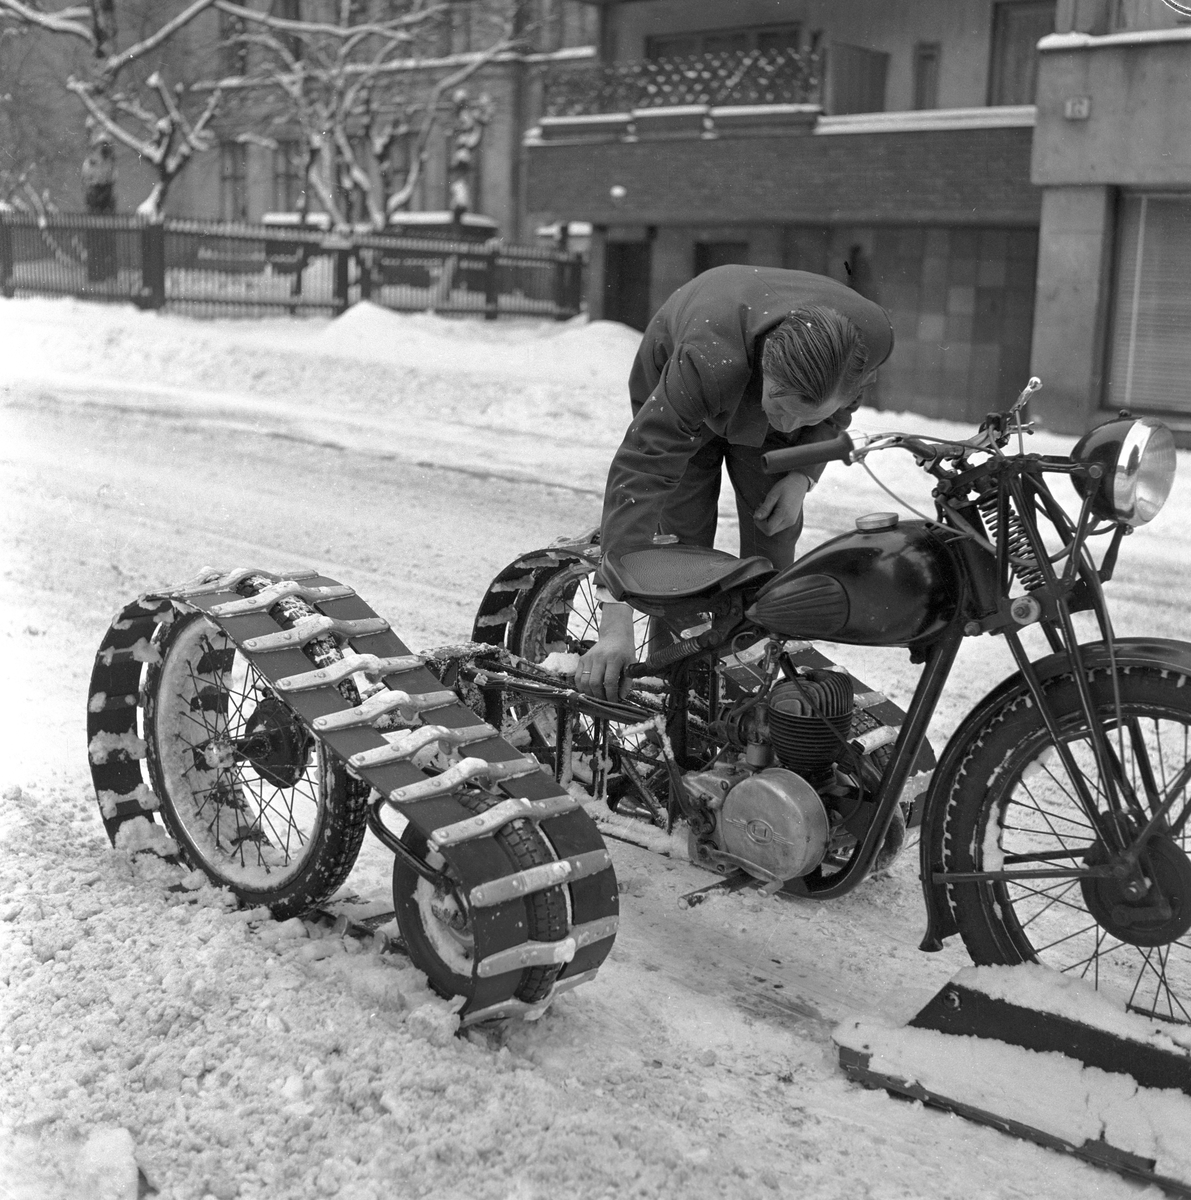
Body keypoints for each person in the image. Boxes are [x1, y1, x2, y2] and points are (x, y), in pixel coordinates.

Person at [576, 264, 894, 701]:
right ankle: (673, 693)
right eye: (780, 408)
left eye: (807, 417)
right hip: (689, 381)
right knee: (678, 558)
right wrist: (615, 622)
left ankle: (759, 692)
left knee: (774, 540)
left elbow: (836, 411)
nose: (785, 424)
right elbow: (642, 470)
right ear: (766, 370)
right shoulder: (707, 360)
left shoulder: (869, 341)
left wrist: (801, 475)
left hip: (772, 377)